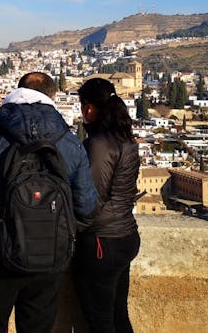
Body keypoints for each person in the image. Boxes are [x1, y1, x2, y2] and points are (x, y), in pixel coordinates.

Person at [0, 72, 98, 333]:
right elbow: (86, 205)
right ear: (51, 96)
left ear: (18, 91)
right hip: (50, 255)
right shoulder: (68, 139)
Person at [73, 77, 140, 333]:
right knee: (118, 314)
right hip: (125, 235)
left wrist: (75, 228)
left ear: (90, 108)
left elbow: (91, 198)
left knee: (100, 319)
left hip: (102, 242)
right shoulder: (126, 140)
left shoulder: (99, 145)